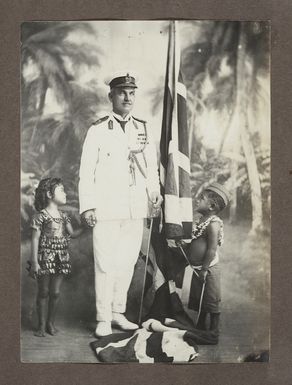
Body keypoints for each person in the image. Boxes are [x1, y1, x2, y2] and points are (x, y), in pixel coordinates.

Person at [78, 72, 162, 337]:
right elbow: (86, 171)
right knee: (105, 264)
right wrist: (88, 206)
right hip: (106, 209)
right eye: (122, 92)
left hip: (135, 208)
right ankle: (103, 317)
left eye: (132, 92)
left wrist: (155, 193)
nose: (128, 97)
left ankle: (117, 313)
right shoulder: (98, 129)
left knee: (126, 262)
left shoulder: (143, 128)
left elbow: (151, 171)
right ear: (111, 96)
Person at [28, 177, 83, 337]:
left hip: (61, 257)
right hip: (45, 257)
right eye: (61, 190)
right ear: (49, 194)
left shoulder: (64, 216)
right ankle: (41, 325)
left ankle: (51, 324)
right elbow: (35, 238)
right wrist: (34, 262)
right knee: (43, 291)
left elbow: (72, 234)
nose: (65, 193)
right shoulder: (40, 216)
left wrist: (87, 228)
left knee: (56, 292)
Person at [187, 182, 230, 334]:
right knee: (200, 297)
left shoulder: (213, 224)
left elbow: (212, 249)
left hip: (209, 268)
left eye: (202, 198)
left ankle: (214, 329)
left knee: (211, 297)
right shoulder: (200, 220)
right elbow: (194, 238)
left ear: (211, 206)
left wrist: (205, 269)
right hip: (198, 268)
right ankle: (200, 325)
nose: (197, 200)